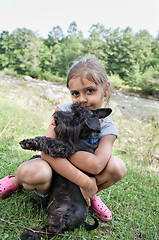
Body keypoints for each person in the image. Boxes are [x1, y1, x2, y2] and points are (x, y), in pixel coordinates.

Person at [0, 57, 127, 221]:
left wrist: (87, 180)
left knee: (118, 166)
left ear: (106, 88)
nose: (82, 99)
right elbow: (46, 151)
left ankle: (88, 194)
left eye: (90, 90)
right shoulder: (63, 111)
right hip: (51, 173)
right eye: (76, 93)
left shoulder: (108, 128)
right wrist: (84, 180)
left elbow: (96, 166)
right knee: (34, 172)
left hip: (75, 182)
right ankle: (15, 181)